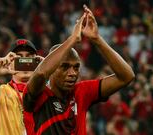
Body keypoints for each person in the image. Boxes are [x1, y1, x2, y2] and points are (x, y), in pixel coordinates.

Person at [23, 5, 135, 135]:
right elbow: (41, 74)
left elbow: (127, 76)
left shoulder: (81, 93)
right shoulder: (38, 95)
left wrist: (97, 39)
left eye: (76, 67)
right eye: (65, 67)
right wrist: (72, 39)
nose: (73, 73)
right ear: (52, 68)